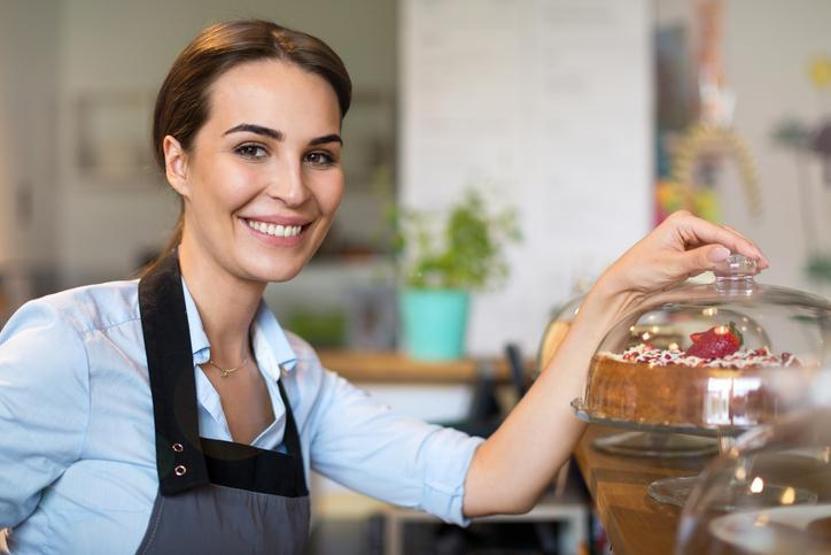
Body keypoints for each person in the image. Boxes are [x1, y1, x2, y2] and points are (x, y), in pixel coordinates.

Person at [0, 19, 767, 554]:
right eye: (252, 148)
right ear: (177, 162)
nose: (292, 190)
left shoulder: (294, 379)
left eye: (319, 156)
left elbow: (490, 481)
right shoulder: (73, 346)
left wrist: (613, 296)